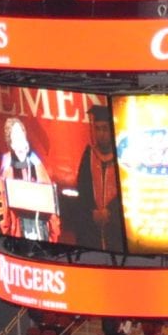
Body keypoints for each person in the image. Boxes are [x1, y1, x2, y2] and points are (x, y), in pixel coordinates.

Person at [71, 106, 125, 252]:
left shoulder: (124, 156)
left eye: (105, 129)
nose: (101, 134)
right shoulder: (89, 155)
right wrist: (92, 213)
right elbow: (82, 190)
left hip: (116, 228)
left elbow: (129, 191)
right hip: (93, 228)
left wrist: (111, 212)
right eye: (98, 129)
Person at [0, 118, 58, 242]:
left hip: (39, 224)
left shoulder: (36, 163)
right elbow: (1, 203)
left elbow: (49, 198)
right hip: (19, 225)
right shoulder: (7, 168)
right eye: (16, 135)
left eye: (21, 134)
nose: (20, 138)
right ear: (11, 143)